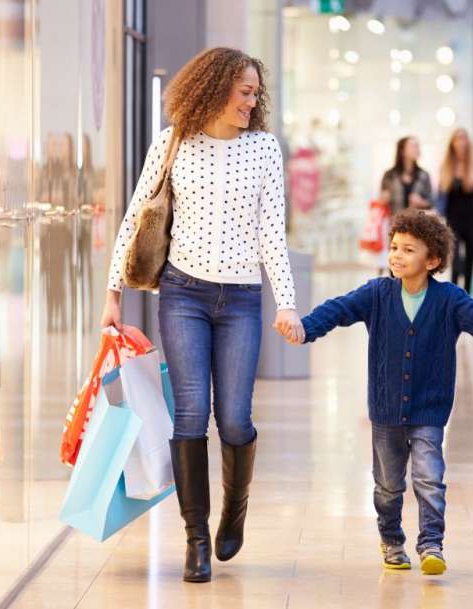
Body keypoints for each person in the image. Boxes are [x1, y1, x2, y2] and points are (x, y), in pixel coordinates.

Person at [102, 47, 303, 583]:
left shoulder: (264, 149)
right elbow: (135, 215)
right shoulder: (172, 143)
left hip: (239, 299)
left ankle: (233, 512)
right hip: (182, 293)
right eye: (244, 90)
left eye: (256, 93)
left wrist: (286, 302)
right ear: (215, 88)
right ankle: (196, 539)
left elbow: (271, 234)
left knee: (234, 418)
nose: (251, 101)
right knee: (191, 412)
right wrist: (113, 290)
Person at [282, 210, 473, 575]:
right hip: (385, 412)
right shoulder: (377, 293)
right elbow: (338, 309)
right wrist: (305, 328)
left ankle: (431, 544)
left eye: (408, 250)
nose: (396, 255)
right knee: (387, 486)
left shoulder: (449, 300)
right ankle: (392, 540)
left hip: (430, 409)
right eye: (394, 246)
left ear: (431, 261)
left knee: (429, 478)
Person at [435, 128, 473, 292]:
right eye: (457, 139)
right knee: (455, 259)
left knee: (471, 260)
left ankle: (467, 294)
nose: (461, 142)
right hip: (453, 220)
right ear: (452, 143)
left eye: (464, 139)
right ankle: (453, 292)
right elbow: (440, 196)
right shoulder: (446, 167)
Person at [379, 136, 433, 214]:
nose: (417, 149)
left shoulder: (424, 175)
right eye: (413, 146)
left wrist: (421, 202)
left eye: (418, 146)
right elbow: (381, 200)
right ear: (402, 151)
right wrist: (384, 199)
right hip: (394, 222)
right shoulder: (389, 175)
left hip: (417, 223)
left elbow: (432, 202)